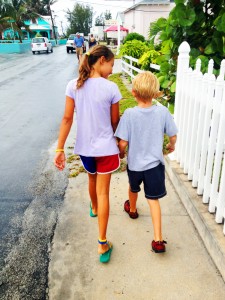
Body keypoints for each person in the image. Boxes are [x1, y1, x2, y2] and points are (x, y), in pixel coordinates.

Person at [54, 45, 122, 263]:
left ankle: (93, 208)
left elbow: (67, 119)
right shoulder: (111, 88)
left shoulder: (73, 86)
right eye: (111, 64)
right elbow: (114, 122)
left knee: (91, 180)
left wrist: (60, 148)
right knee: (104, 193)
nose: (112, 70)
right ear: (102, 60)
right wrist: (120, 143)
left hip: (85, 148)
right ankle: (102, 243)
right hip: (106, 148)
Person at [115, 71, 178, 253]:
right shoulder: (163, 112)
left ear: (134, 93)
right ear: (155, 93)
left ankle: (132, 209)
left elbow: (123, 142)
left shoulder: (129, 114)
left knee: (133, 188)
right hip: (155, 166)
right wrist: (171, 145)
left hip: (135, 164)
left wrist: (120, 152)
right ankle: (158, 240)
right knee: (153, 200)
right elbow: (172, 135)